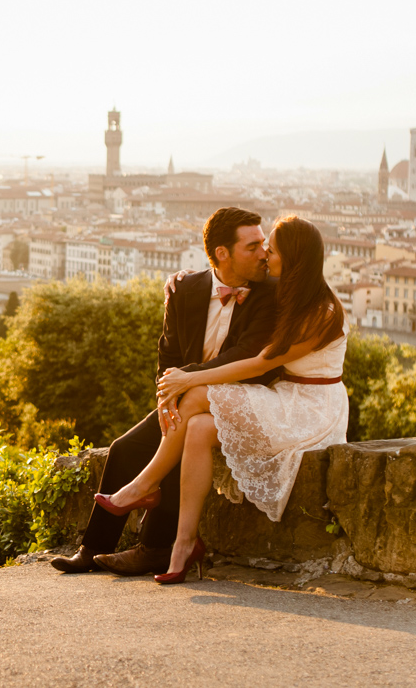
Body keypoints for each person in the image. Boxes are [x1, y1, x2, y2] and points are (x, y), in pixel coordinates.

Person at [96, 215, 348, 584]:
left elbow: (262, 361)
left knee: (197, 395)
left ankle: (143, 486)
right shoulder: (287, 292)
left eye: (271, 249)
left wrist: (189, 378)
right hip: (284, 397)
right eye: (261, 247)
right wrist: (184, 279)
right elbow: (217, 281)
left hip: (311, 407)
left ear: (291, 259)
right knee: (197, 427)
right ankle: (184, 544)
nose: (264, 254)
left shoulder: (321, 312)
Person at [50, 207, 280, 576]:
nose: (263, 253)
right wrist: (165, 398)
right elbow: (167, 353)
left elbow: (247, 353)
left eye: (263, 245)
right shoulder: (185, 289)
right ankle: (92, 549)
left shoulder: (270, 293)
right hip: (187, 396)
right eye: (253, 246)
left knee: (183, 437)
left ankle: (155, 548)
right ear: (222, 253)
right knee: (125, 448)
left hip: (238, 395)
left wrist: (186, 379)